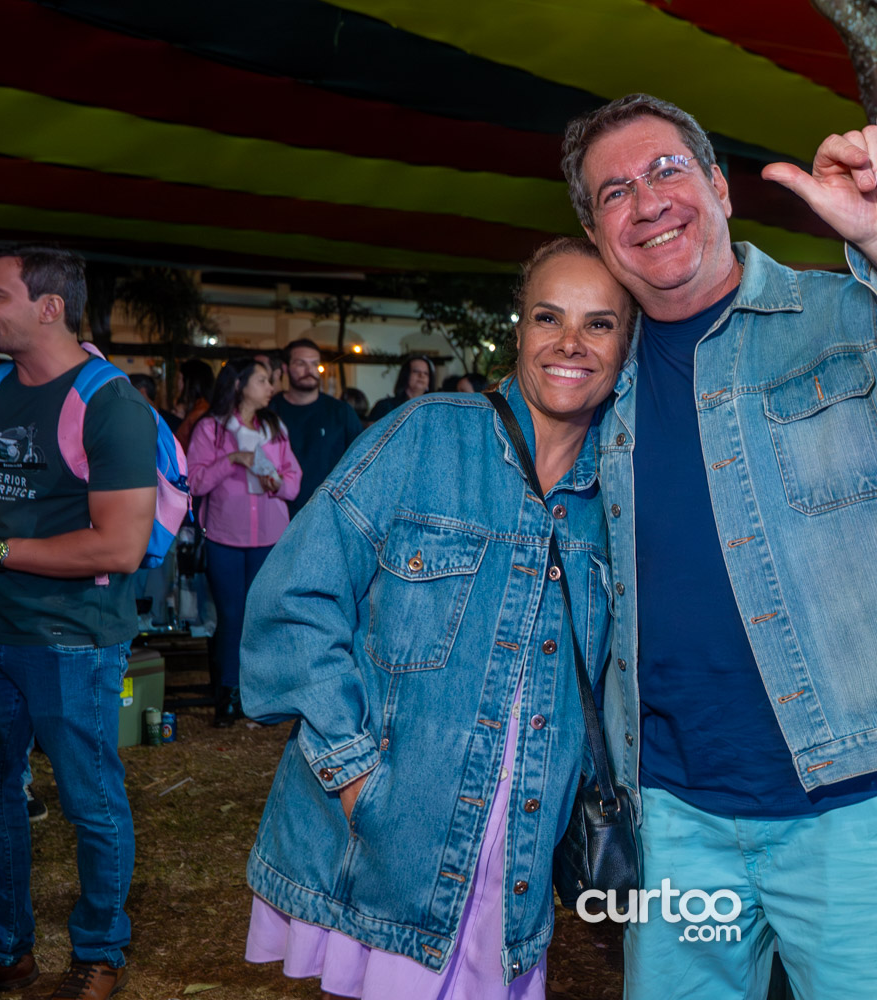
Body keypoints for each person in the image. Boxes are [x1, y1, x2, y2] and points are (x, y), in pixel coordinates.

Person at [564, 72, 877, 998]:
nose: (647, 201)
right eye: (615, 191)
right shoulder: (594, 381)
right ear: (598, 234)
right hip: (672, 820)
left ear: (719, 186)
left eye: (667, 170)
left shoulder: (843, 322)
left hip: (852, 812)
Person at [240, 238, 631, 998]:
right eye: (548, 317)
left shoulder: (620, 493)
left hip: (519, 858)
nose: (570, 343)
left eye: (600, 324)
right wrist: (354, 773)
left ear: (625, 346)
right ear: (519, 328)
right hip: (393, 844)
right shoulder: (426, 434)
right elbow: (294, 599)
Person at [0, 245, 156, 999]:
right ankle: (6, 947)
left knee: (89, 803)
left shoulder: (111, 403)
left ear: (49, 307)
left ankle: (100, 952)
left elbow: (119, 546)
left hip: (74, 640)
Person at [187, 358, 301, 727]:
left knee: (262, 615)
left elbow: (294, 482)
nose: (271, 387)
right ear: (239, 385)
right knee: (232, 616)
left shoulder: (274, 427)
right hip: (225, 536)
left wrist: (276, 483)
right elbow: (195, 481)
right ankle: (228, 694)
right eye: (263, 380)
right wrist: (233, 459)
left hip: (270, 536)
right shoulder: (211, 429)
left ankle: (262, 695)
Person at [269, 339, 361, 518]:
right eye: (300, 363)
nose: (309, 370)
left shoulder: (340, 412)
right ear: (285, 368)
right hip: (278, 513)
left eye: (314, 364)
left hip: (328, 513)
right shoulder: (270, 411)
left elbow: (360, 460)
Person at [366, 355, 434, 422]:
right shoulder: (385, 406)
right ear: (405, 375)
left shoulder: (433, 410)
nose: (422, 376)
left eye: (426, 373)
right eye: (416, 371)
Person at [174, 358, 215, 451]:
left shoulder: (199, 413)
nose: (177, 384)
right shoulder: (199, 409)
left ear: (189, 382)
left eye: (179, 378)